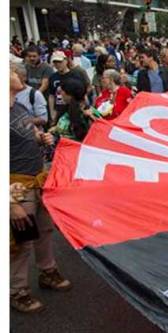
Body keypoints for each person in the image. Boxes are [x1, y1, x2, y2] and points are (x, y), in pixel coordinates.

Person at [10, 67, 71, 313]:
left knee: (45, 230)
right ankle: (17, 290)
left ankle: (48, 271)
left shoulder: (19, 105)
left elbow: (29, 132)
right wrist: (9, 202)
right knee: (22, 242)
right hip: (16, 187)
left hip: (37, 179)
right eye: (10, 69)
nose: (15, 71)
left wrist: (40, 139)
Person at [48, 51, 89, 125]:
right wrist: (52, 113)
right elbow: (51, 95)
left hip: (74, 109)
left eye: (60, 62)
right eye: (55, 62)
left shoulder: (76, 75)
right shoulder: (52, 77)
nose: (57, 64)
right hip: (59, 110)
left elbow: (83, 93)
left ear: (66, 61)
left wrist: (85, 107)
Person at [12, 63, 48, 128]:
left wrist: (24, 122)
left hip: (29, 135)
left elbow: (43, 119)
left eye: (14, 76)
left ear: (24, 77)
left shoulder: (34, 94)